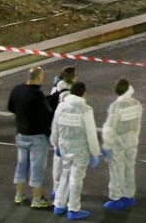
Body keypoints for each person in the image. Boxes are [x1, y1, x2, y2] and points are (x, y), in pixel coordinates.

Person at [51, 81, 105, 220]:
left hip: (64, 146)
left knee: (65, 174)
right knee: (76, 178)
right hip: (80, 149)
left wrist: (56, 144)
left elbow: (55, 127)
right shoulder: (85, 110)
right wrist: (95, 152)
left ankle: (59, 204)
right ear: (83, 93)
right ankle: (73, 208)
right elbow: (91, 133)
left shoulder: (61, 106)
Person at [7, 66, 54, 209]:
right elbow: (46, 116)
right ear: (39, 78)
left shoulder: (17, 89)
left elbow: (11, 107)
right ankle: (37, 198)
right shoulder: (37, 94)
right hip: (37, 137)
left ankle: (19, 195)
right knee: (36, 167)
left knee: (21, 165)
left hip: (21, 134)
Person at [101, 78, 143, 210]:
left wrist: (106, 145)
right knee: (129, 167)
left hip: (117, 142)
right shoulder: (136, 103)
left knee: (116, 169)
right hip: (132, 140)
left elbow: (110, 127)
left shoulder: (116, 106)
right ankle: (129, 195)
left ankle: (115, 197)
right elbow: (138, 123)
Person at [50, 65, 77, 197]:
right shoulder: (69, 92)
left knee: (58, 162)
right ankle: (66, 191)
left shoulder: (55, 89)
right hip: (67, 130)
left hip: (57, 127)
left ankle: (56, 188)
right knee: (68, 164)